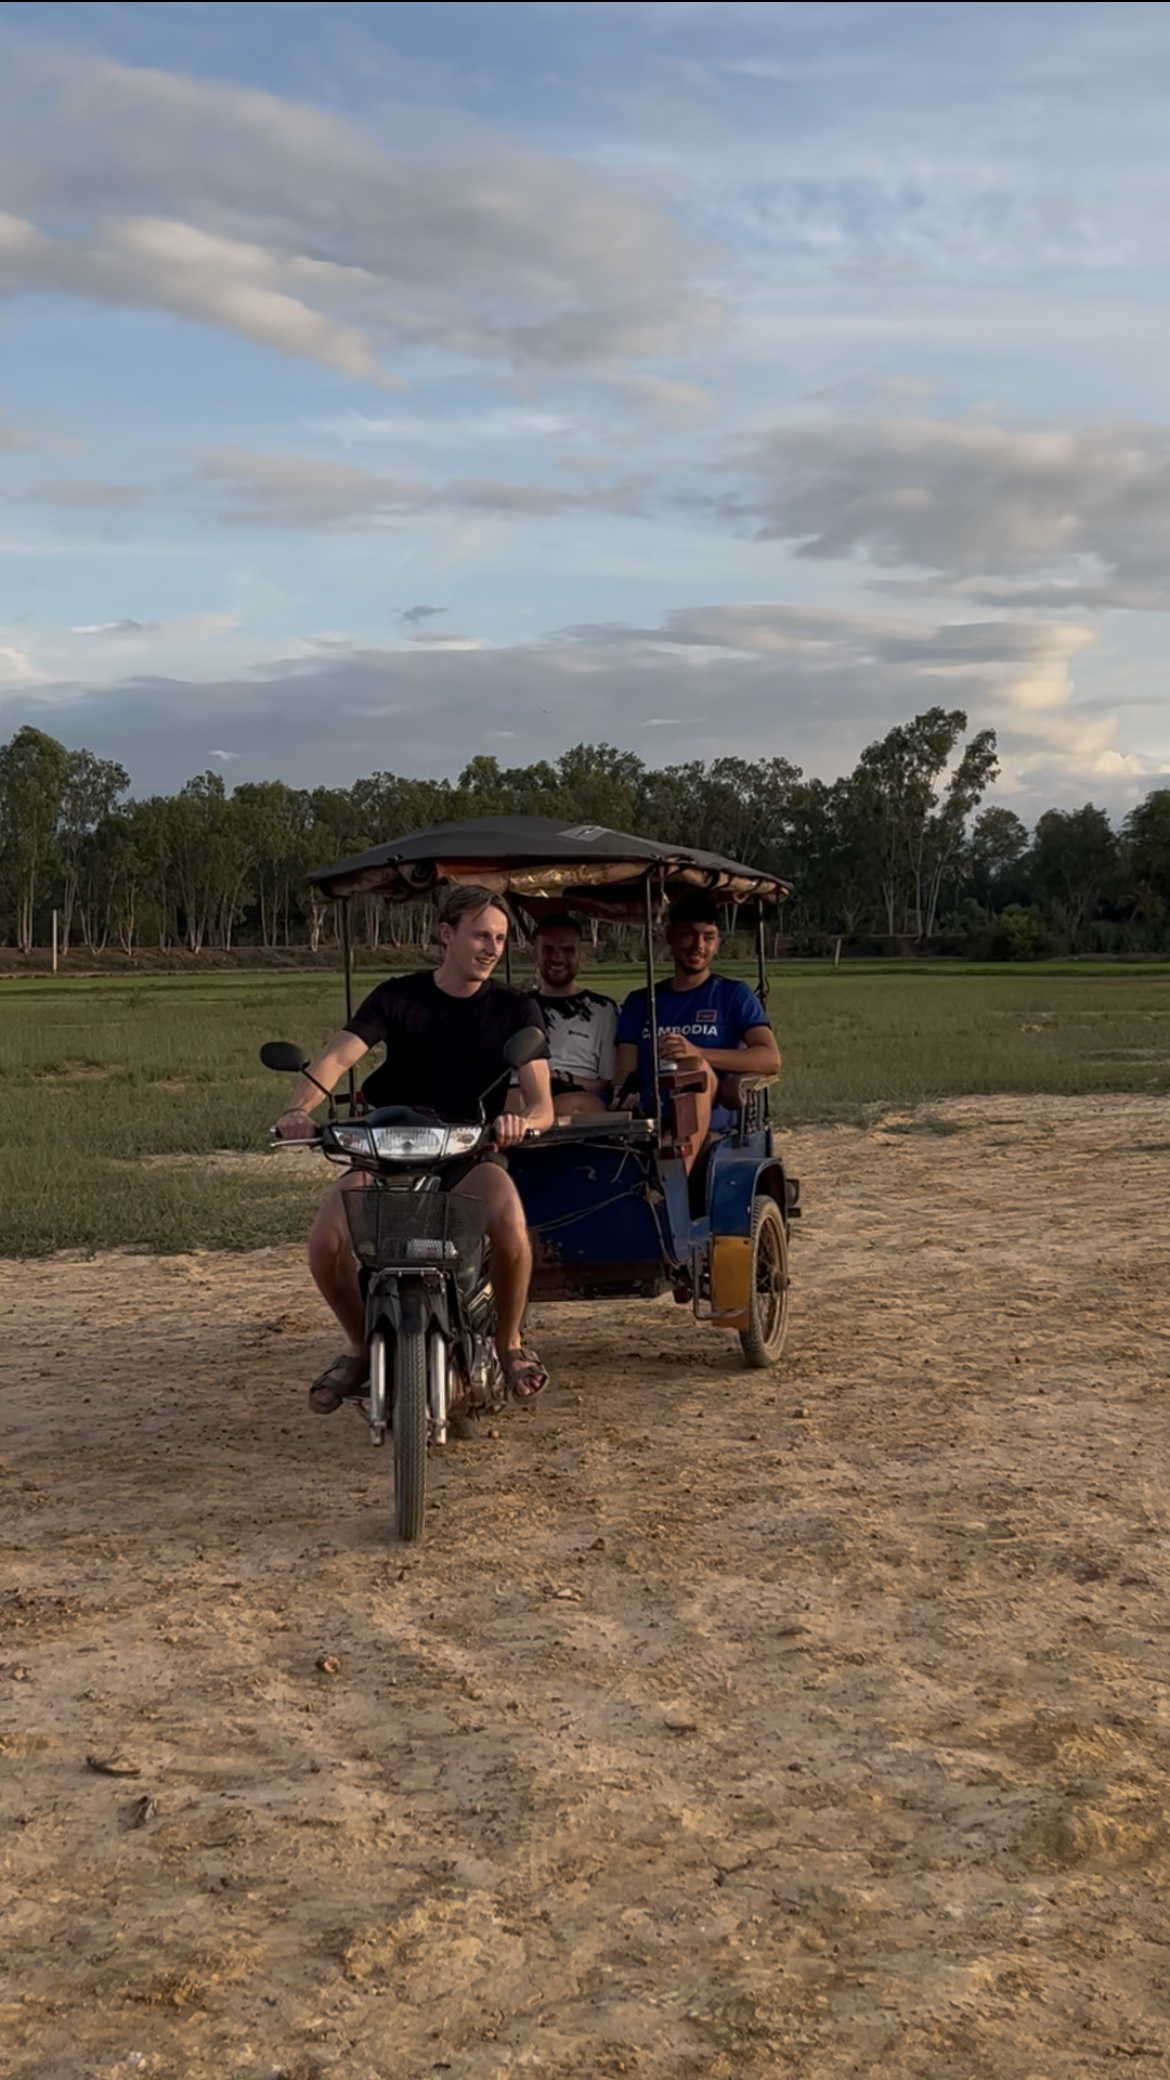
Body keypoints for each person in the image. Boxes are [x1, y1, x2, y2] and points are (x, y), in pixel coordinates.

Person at [274, 883, 554, 1412]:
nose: (492, 948)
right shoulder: (397, 996)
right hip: (384, 1154)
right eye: (480, 936)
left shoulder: (517, 1010)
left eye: (499, 938)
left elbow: (542, 1103)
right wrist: (298, 1110)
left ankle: (510, 1342)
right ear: (446, 935)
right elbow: (337, 1057)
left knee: (512, 1223)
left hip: (467, 1154)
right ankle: (360, 1346)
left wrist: (521, 1122)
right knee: (325, 1244)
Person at [611, 892, 780, 1167]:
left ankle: (671, 1185)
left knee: (694, 1067)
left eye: (708, 937)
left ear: (717, 943)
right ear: (671, 936)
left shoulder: (732, 995)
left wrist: (699, 1052)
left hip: (712, 1116)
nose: (698, 946)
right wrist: (622, 1092)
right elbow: (624, 1070)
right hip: (649, 1115)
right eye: (689, 935)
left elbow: (770, 1059)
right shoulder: (640, 1002)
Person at [529, 914, 618, 1118]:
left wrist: (560, 1077)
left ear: (580, 954)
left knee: (564, 1106)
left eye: (567, 950)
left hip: (578, 1093)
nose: (557, 958)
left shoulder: (602, 1009)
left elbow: (608, 1082)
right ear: (536, 954)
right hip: (524, 1090)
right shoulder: (517, 1006)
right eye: (548, 950)